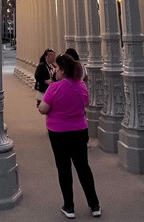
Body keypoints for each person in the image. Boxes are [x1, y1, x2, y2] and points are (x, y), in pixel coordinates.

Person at [38, 54, 100, 219]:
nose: (55, 71)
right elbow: (85, 103)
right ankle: (94, 205)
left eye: (57, 68)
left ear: (63, 70)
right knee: (83, 168)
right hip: (80, 131)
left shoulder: (54, 88)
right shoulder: (80, 85)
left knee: (64, 169)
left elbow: (43, 109)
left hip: (58, 133)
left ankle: (69, 206)